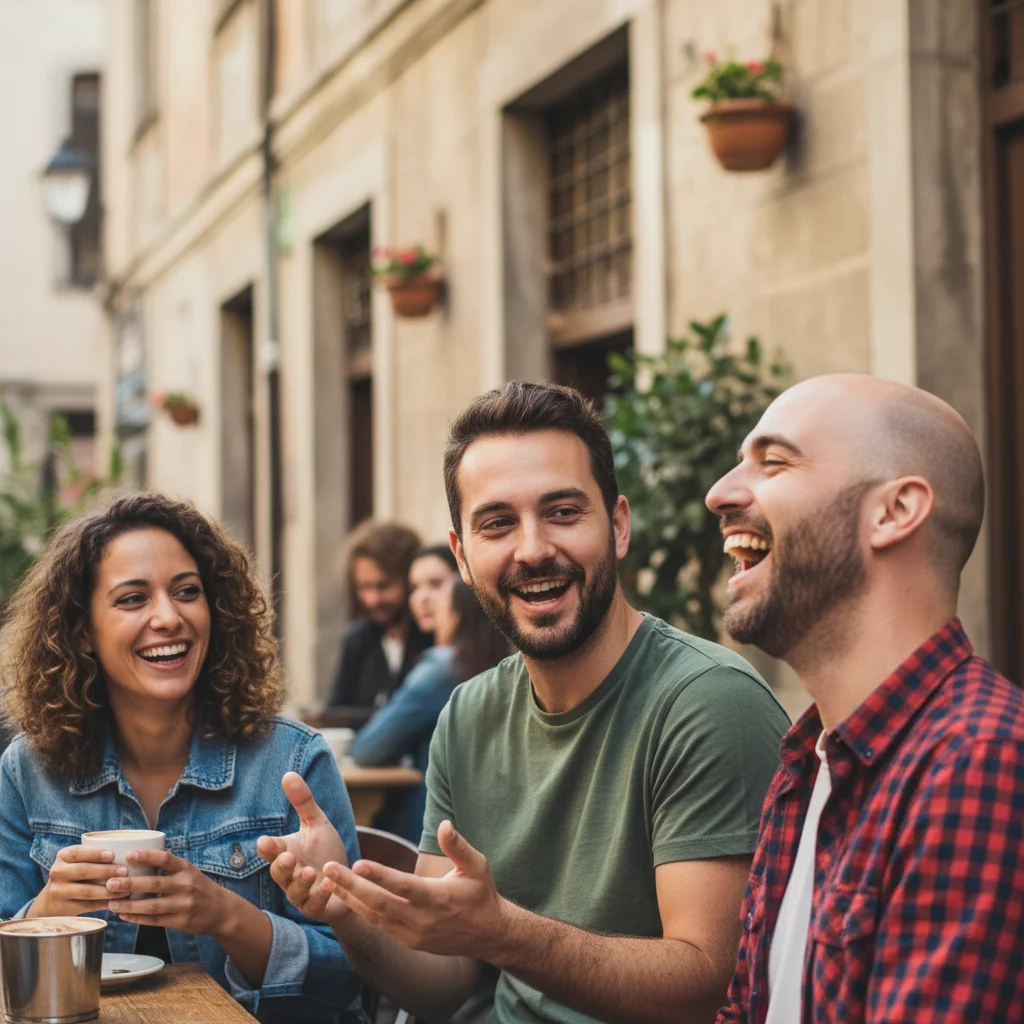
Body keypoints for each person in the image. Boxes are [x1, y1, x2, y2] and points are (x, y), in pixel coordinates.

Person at [259, 381, 791, 1024]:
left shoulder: (708, 702)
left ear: (618, 527)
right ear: (461, 555)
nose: (533, 548)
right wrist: (342, 910)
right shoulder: (468, 713)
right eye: (497, 524)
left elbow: (712, 984)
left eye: (564, 512)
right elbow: (445, 982)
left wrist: (502, 932)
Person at [704, 374, 1024, 1023]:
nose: (720, 493)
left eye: (774, 462)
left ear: (894, 512)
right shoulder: (806, 760)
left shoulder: (979, 760)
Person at [0, 494, 366, 1023]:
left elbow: (352, 976)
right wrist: (46, 916)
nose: (168, 618)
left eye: (187, 592)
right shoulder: (27, 771)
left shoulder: (293, 761)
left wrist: (226, 916)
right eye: (132, 599)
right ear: (82, 631)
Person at [352, 573, 511, 842]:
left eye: (442, 608)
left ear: (459, 615)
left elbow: (368, 748)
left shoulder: (441, 669)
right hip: (494, 831)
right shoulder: (510, 667)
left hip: (433, 831)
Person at [326, 520, 430, 712]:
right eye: (364, 587)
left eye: (383, 586)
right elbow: (336, 713)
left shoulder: (432, 636)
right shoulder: (357, 639)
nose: (373, 599)